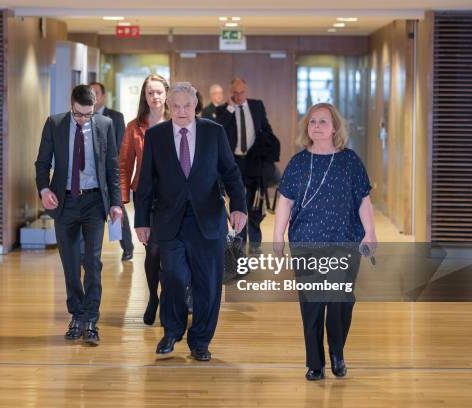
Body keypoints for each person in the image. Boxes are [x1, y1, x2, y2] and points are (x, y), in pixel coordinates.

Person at [134, 82, 247, 361]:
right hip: (169, 220)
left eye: (187, 105)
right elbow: (146, 181)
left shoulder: (214, 132)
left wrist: (240, 207)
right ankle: (172, 331)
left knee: (207, 283)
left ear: (196, 105)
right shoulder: (157, 135)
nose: (182, 111)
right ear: (168, 106)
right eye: (176, 106)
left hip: (208, 220)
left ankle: (200, 341)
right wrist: (140, 221)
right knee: (173, 276)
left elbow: (230, 173)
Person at [273, 102, 377, 381]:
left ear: (335, 128)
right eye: (312, 122)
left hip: (345, 241)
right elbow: (285, 201)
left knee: (342, 301)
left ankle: (337, 352)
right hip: (306, 242)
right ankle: (315, 363)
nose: (316, 126)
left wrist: (370, 232)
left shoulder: (350, 160)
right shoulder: (298, 162)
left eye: (323, 122)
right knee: (312, 304)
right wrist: (277, 237)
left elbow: (363, 200)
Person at [35, 84, 123, 346]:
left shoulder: (104, 125)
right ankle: (77, 315)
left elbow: (112, 167)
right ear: (71, 105)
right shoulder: (55, 124)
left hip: (95, 202)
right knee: (71, 264)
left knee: (92, 263)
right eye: (79, 114)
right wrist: (43, 189)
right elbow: (42, 162)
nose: (84, 119)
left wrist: (116, 203)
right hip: (65, 202)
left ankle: (92, 320)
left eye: (88, 114)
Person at [119, 74, 170, 325]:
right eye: (150, 92)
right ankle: (154, 297)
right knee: (153, 251)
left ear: (167, 94)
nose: (155, 96)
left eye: (159, 91)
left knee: (173, 249)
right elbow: (125, 164)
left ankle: (175, 296)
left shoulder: (180, 121)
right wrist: (123, 198)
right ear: (145, 96)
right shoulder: (134, 127)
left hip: (175, 195)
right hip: (146, 195)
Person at [215, 77, 280, 255]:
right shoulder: (223, 109)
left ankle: (256, 242)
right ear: (230, 93)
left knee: (255, 203)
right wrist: (230, 108)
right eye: (235, 93)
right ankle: (240, 243)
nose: (238, 96)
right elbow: (218, 128)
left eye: (241, 92)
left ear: (247, 91)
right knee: (238, 201)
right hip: (233, 162)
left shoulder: (257, 105)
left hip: (253, 161)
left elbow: (266, 128)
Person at [90, 81, 134, 261]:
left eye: (96, 93)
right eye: (89, 93)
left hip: (109, 173)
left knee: (116, 211)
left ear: (103, 96)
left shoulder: (115, 117)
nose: (92, 97)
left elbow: (120, 145)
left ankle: (127, 248)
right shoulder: (83, 117)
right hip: (89, 175)